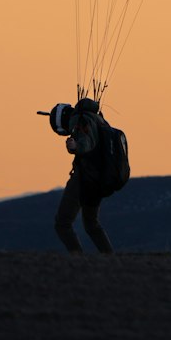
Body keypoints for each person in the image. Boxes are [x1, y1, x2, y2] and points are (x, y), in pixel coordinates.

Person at [54, 96, 116, 255]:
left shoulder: (79, 120)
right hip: (99, 179)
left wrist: (75, 146)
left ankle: (78, 260)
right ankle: (111, 260)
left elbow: (86, 143)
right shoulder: (98, 118)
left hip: (84, 179)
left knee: (63, 223)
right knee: (91, 224)